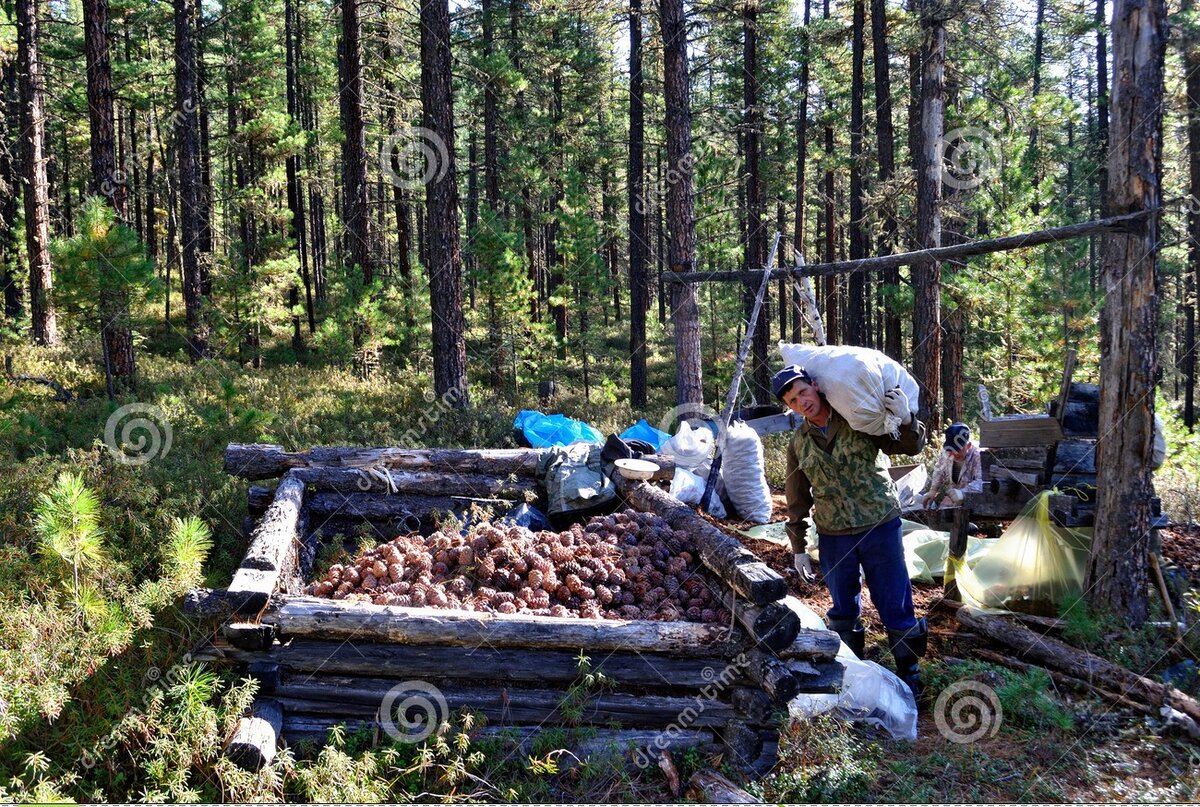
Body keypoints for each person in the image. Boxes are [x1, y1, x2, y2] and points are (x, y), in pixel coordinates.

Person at [772, 363, 929, 697]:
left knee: (894, 599)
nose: (802, 402)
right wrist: (798, 546)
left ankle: (909, 673)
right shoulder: (799, 443)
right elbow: (796, 496)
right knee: (843, 607)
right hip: (833, 532)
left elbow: (908, 447)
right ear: (789, 407)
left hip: (878, 523)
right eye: (793, 400)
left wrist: (905, 419)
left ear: (815, 386)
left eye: (803, 392)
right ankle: (854, 674)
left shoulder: (858, 417)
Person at [921, 423, 983, 509]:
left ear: (968, 446)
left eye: (958, 449)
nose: (954, 453)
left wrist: (963, 493)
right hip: (953, 499)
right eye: (951, 449)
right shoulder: (947, 452)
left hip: (975, 501)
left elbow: (982, 482)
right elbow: (939, 471)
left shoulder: (978, 456)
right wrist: (933, 490)